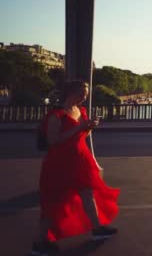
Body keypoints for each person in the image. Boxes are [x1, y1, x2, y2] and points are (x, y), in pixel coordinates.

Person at [31, 80, 120, 255]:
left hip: (80, 159)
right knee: (53, 203)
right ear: (70, 93)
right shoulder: (57, 115)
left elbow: (82, 134)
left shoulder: (81, 111)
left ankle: (97, 229)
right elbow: (53, 140)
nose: (84, 97)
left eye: (85, 94)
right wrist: (79, 126)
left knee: (88, 194)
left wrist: (89, 128)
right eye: (81, 94)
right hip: (60, 163)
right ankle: (40, 244)